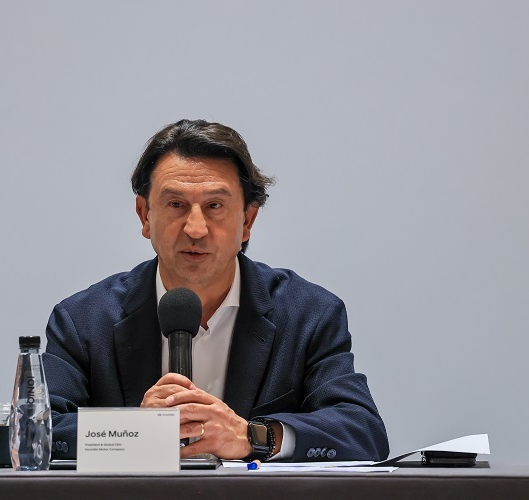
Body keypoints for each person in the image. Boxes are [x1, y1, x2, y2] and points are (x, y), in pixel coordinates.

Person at [44, 119, 389, 462]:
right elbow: (37, 430)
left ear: (247, 221)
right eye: (176, 204)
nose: (195, 229)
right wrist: (136, 431)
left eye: (215, 206)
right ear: (145, 216)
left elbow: (362, 432)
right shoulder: (83, 320)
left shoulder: (309, 315)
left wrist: (252, 436)